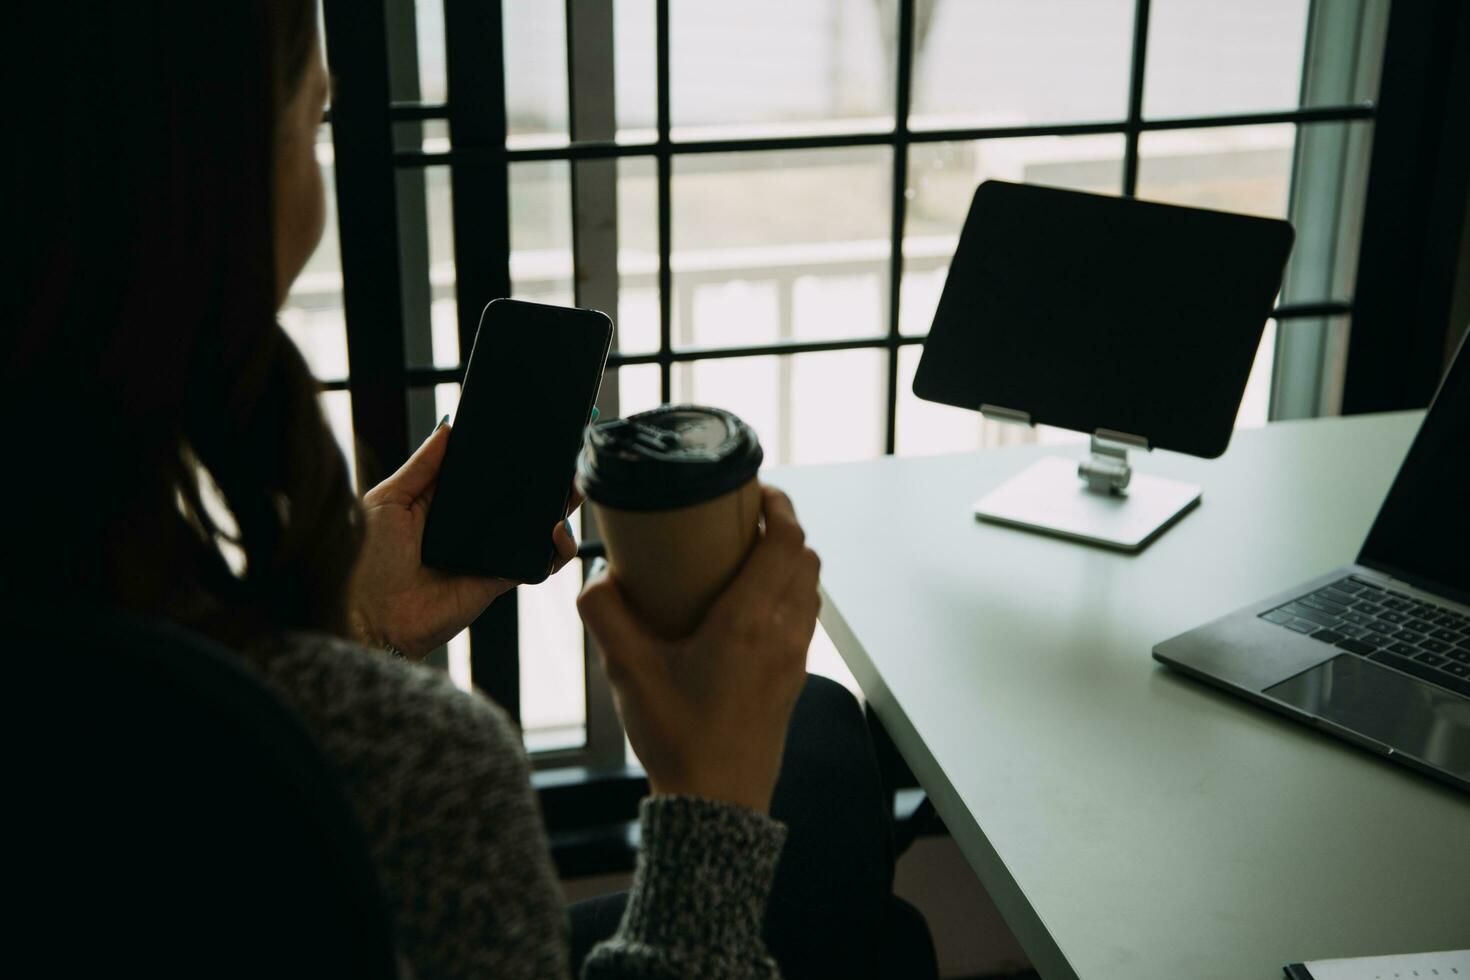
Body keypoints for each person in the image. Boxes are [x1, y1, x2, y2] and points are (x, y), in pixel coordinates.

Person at [8, 4, 922, 978]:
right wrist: (708, 793)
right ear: (204, 198)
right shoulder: (422, 764)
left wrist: (360, 622)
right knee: (839, 837)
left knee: (857, 838)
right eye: (313, 127)